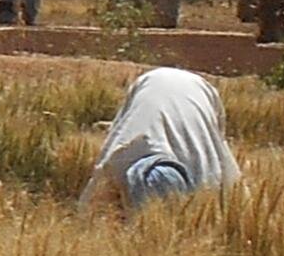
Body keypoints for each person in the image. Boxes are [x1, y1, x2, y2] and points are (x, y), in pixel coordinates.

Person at [80, 67, 242, 210]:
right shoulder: (207, 177)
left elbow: (89, 205)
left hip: (179, 88)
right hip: (175, 87)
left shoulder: (118, 160)